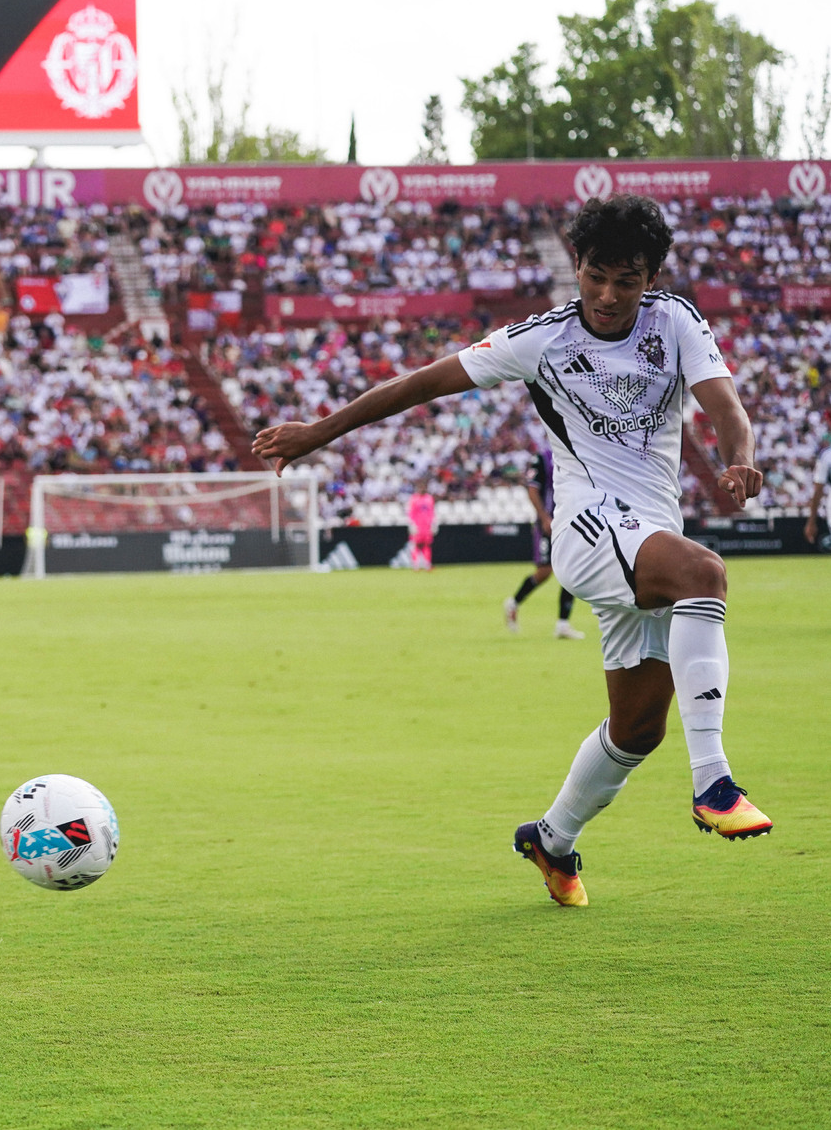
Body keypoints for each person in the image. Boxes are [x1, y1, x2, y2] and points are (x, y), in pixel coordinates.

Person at [254, 195, 771, 908]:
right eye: (595, 276)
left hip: (648, 535)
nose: (608, 294)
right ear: (577, 266)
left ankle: (551, 839)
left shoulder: (676, 322)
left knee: (637, 729)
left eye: (626, 280)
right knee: (704, 573)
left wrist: (739, 457)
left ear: (651, 277)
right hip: (589, 529)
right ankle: (713, 781)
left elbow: (725, 406)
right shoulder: (542, 340)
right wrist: (319, 431)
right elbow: (420, 383)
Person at [503, 446, 584, 640]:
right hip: (548, 524)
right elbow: (532, 490)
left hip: (569, 522)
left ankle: (563, 624)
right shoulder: (543, 458)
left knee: (571, 569)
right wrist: (544, 518)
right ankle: (514, 602)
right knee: (544, 571)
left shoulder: (576, 453)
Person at [805, 439, 830, 548]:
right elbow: (818, 490)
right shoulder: (826, 456)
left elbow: (818, 490)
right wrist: (811, 521)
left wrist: (811, 521)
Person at [405, 484, 435, 570]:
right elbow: (410, 512)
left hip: (427, 527)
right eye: (420, 487)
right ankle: (416, 564)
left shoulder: (429, 498)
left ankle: (427, 564)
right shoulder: (414, 498)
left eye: (423, 487)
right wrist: (412, 525)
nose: (422, 489)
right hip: (417, 526)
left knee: (427, 545)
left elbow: (432, 512)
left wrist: (433, 524)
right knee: (416, 545)